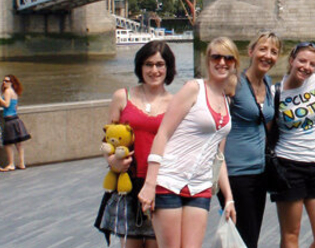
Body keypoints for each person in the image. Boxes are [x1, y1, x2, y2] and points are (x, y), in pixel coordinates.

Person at [140, 37, 239, 248]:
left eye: (228, 58)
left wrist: (228, 197)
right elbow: (163, 134)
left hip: (200, 187)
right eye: (216, 57)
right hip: (169, 182)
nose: (222, 62)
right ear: (208, 60)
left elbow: (218, 157)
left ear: (235, 63)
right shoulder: (194, 89)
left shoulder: (226, 100)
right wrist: (150, 184)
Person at [95, 40, 176, 247]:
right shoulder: (122, 97)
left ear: (168, 67)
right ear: (140, 67)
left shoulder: (176, 103)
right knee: (130, 244)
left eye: (160, 64)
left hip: (161, 186)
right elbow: (108, 139)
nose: (154, 70)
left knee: (155, 243)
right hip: (129, 184)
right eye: (148, 64)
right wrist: (112, 160)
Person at [271, 42, 315, 248]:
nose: (306, 67)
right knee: (291, 235)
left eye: (311, 63)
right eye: (302, 61)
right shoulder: (276, 93)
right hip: (288, 165)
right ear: (291, 61)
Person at [221, 32, 281, 248]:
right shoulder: (233, 82)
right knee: (243, 238)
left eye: (274, 52)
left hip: (260, 172)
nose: (268, 56)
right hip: (236, 173)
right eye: (263, 49)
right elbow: (217, 123)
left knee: (250, 238)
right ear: (250, 51)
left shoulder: (267, 82)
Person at [0, 74, 30, 171]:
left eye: (7, 81)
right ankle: (22, 163)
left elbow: (6, 104)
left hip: (9, 120)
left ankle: (11, 164)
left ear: (11, 83)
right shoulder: (14, 92)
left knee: (8, 143)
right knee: (19, 143)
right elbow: (15, 106)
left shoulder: (7, 91)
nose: (4, 82)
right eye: (3, 80)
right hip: (16, 119)